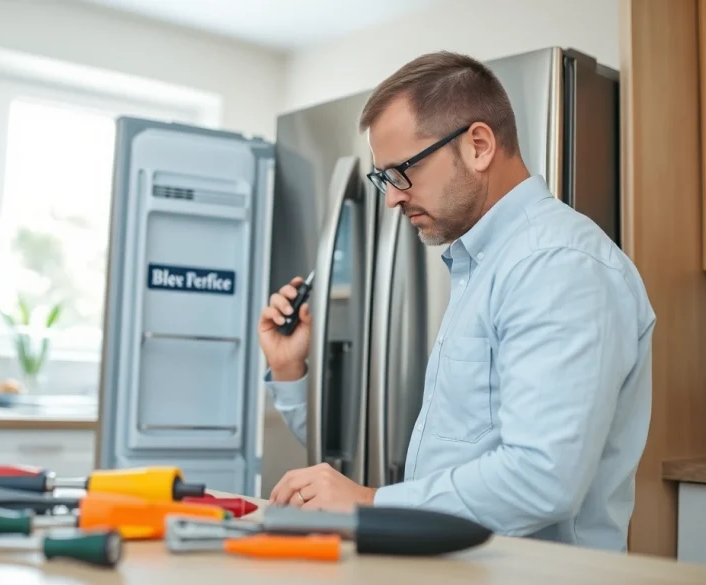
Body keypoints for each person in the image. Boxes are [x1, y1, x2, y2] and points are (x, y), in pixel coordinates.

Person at [258, 51, 656, 552]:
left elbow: (542, 477)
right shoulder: (484, 264)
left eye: (402, 171)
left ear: (479, 146)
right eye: (383, 179)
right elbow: (449, 464)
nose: (392, 199)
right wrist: (292, 374)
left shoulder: (557, 265)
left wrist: (371, 503)